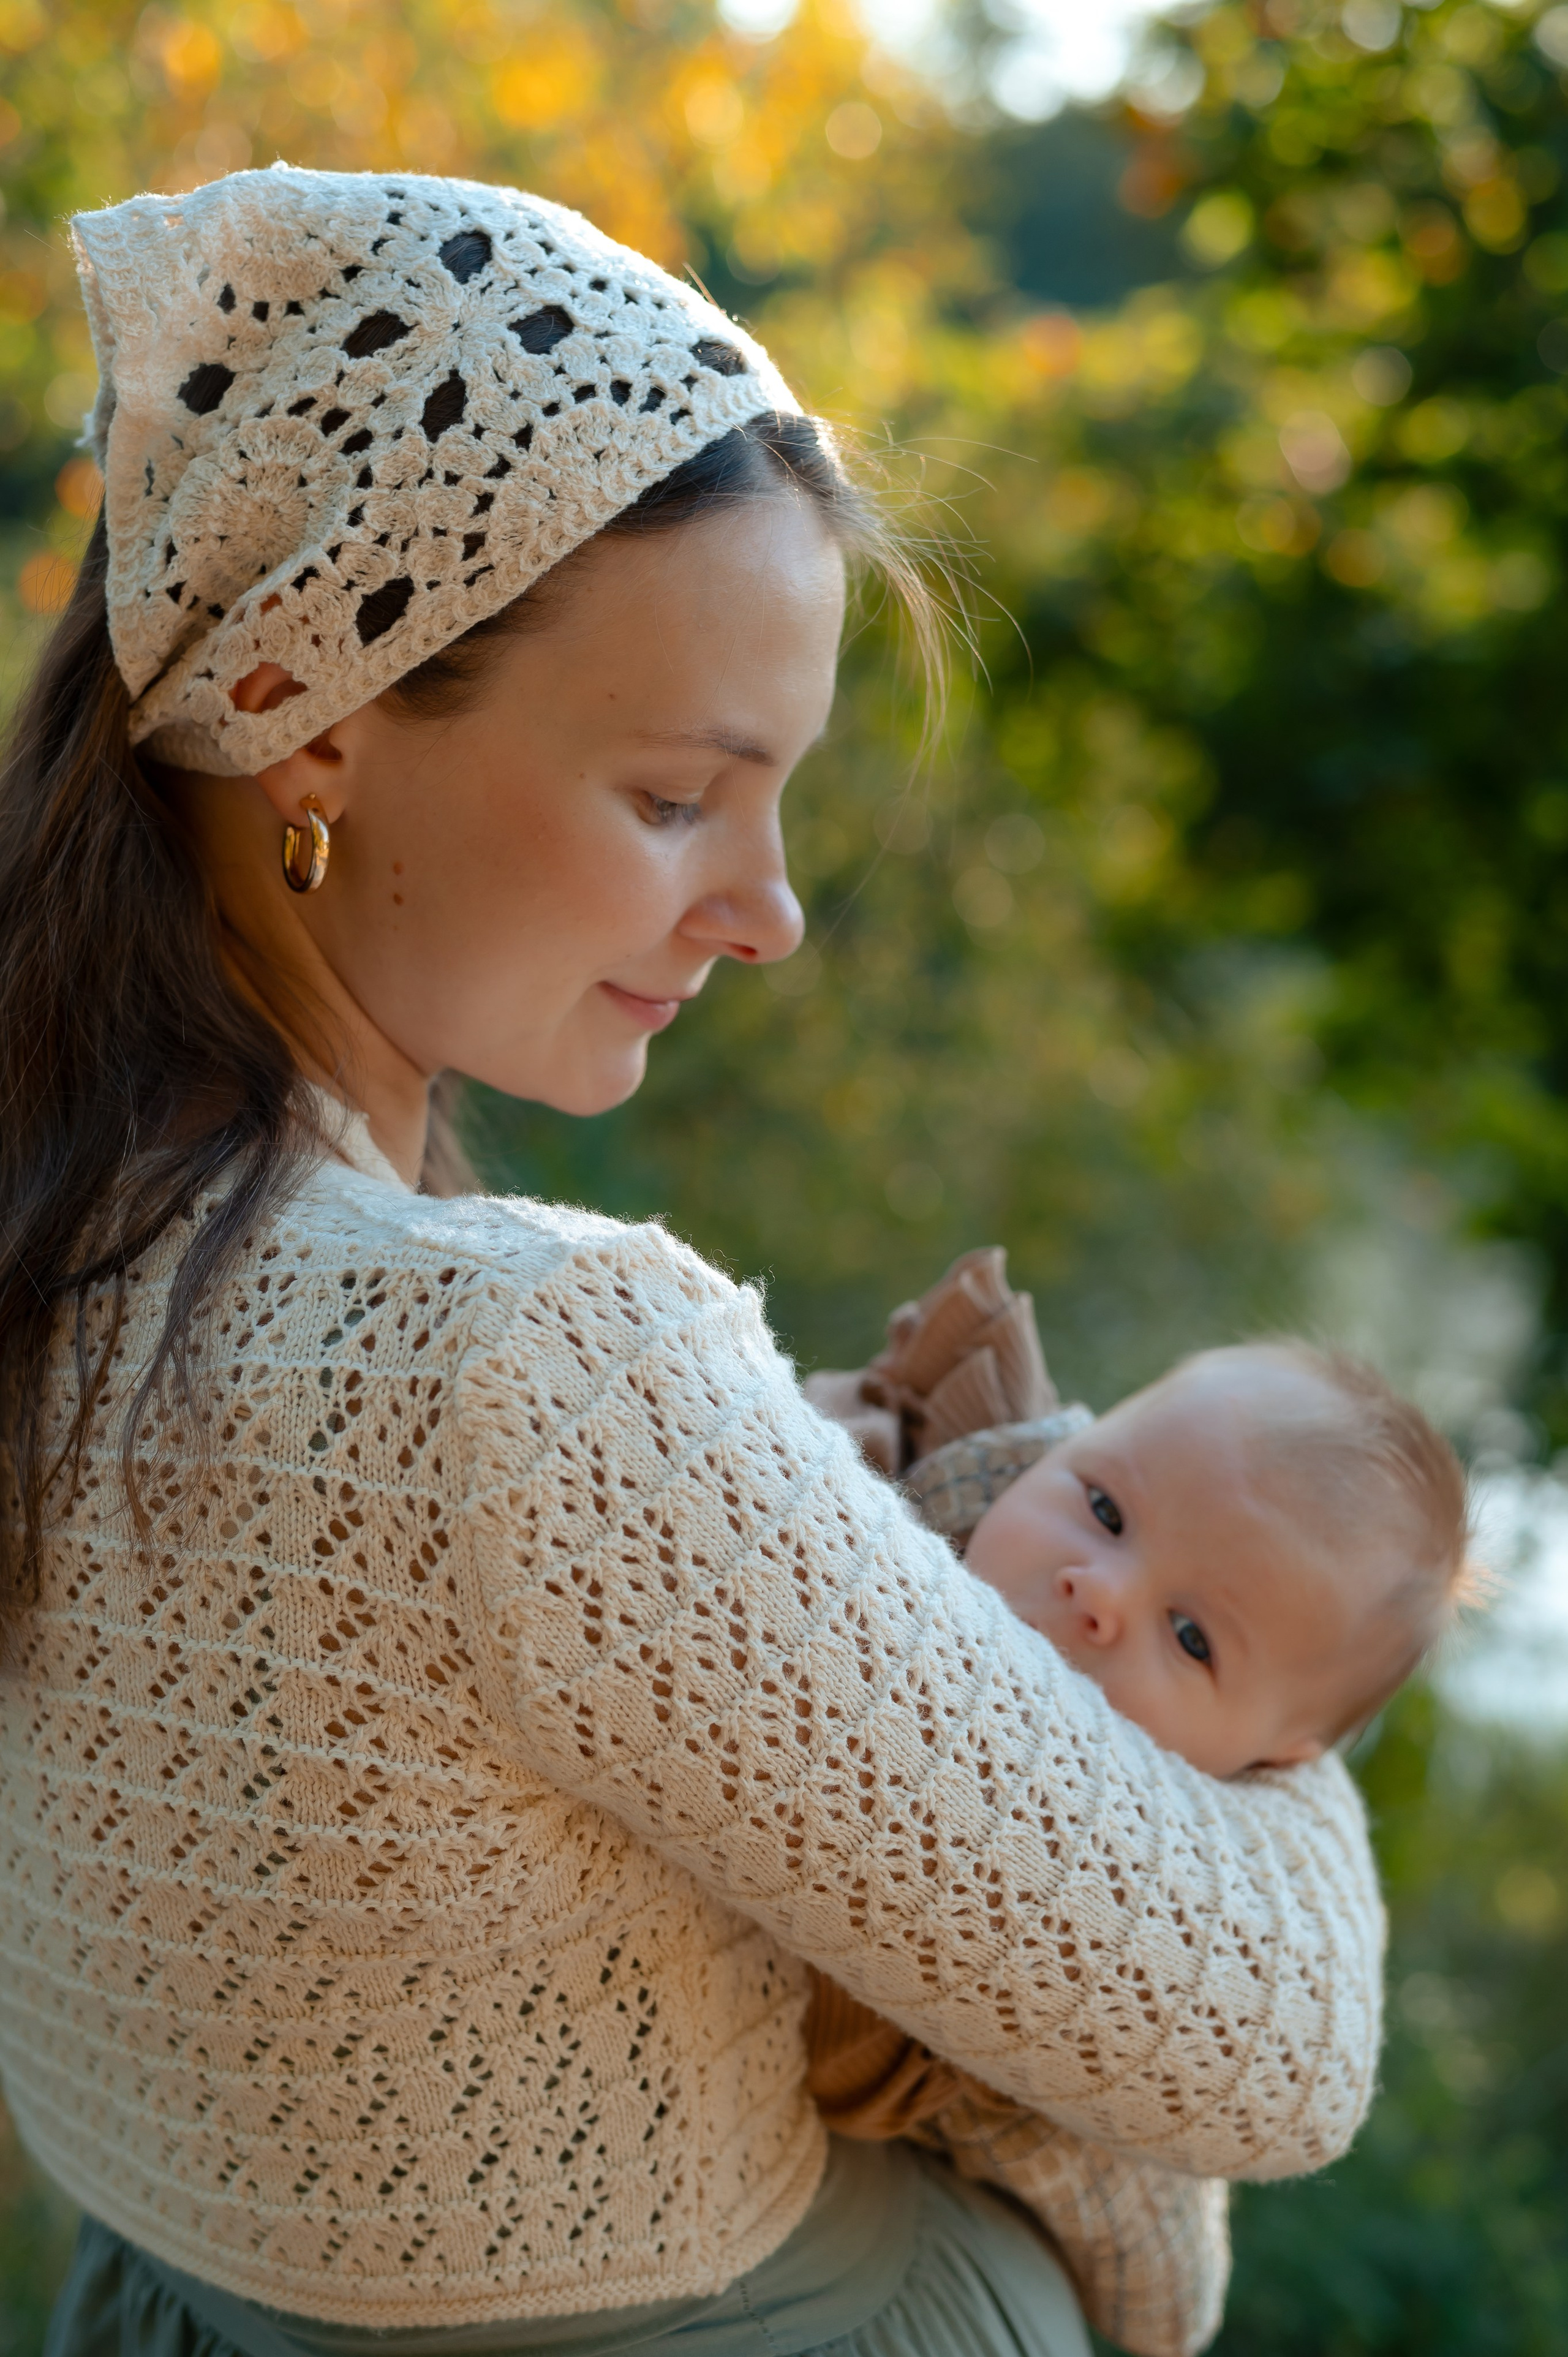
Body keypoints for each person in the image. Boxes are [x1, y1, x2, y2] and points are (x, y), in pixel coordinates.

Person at [0, 166, 1386, 2357]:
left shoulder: (62, 1239)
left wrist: (813, 1515)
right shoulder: (524, 1361)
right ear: (307, 705)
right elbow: (1282, 2044)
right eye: (675, 798)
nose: (771, 910)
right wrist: (1213, 1604)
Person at [801, 1258, 1471, 2353]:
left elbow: (1161, 2275)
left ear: (1274, 1757)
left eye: (1193, 1637)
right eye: (1104, 1507)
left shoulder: (1175, 1872)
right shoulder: (906, 1483)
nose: (1099, 1593)